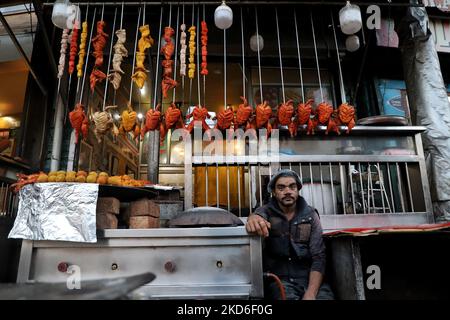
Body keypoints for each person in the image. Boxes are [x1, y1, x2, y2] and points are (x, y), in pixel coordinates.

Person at [246, 169, 334, 300]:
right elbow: (257, 215)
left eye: (292, 187)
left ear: (297, 190)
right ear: (274, 193)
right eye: (281, 188)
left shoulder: (310, 215)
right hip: (280, 281)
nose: (287, 191)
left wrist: (311, 293)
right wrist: (252, 218)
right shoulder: (266, 211)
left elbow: (319, 257)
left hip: (310, 280)